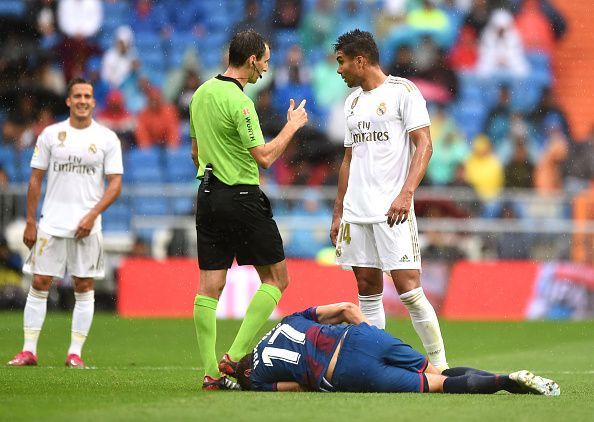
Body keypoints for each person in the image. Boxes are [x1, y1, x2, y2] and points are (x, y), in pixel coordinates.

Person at [189, 30, 308, 390]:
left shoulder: (201, 94)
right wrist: (292, 126)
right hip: (241, 197)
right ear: (252, 60)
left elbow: (195, 152)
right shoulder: (241, 103)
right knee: (277, 279)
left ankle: (210, 372)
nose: (266, 70)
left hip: (207, 195)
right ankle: (234, 355)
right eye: (266, 62)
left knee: (209, 286)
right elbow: (266, 158)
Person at [329, 29, 448, 370]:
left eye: (342, 62)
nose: (339, 70)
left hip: (392, 210)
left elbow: (424, 145)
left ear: (360, 60)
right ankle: (374, 363)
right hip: (356, 211)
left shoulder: (403, 92)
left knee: (409, 289)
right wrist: (338, 212)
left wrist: (406, 193)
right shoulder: (351, 102)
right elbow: (349, 160)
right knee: (367, 287)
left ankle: (440, 366)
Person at [7, 77, 123, 369]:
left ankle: (75, 353)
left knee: (83, 286)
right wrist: (31, 221)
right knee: (40, 282)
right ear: (69, 101)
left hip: (88, 226)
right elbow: (35, 180)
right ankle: (29, 350)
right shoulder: (50, 134)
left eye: (87, 96)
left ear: (93, 102)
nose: (83, 100)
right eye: (77, 96)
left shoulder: (107, 138)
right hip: (52, 223)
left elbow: (115, 185)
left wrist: (92, 215)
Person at [234, 302, 560, 396]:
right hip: (363, 337)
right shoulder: (288, 320)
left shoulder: (258, 377)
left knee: (440, 385)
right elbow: (348, 308)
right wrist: (371, 334)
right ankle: (517, 381)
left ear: (249, 369)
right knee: (439, 371)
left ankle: (507, 380)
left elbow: (299, 386)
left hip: (345, 371)